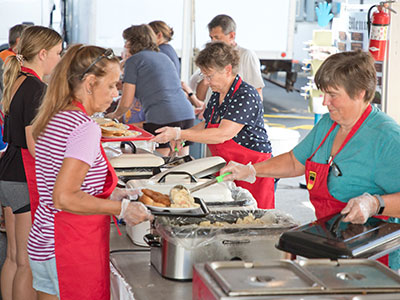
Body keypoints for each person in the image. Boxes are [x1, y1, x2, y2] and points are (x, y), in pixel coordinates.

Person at [220, 50, 400, 270]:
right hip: (328, 246)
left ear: (360, 93)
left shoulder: (386, 137)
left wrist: (375, 204)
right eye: (323, 93)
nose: (325, 102)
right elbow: (296, 162)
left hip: (373, 259)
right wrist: (249, 171)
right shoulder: (328, 123)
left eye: (333, 94)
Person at [27, 44, 153, 300]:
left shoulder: (56, 116)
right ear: (90, 83)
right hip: (67, 245)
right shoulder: (85, 127)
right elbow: (63, 196)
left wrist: (116, 194)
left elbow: (62, 180)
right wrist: (121, 210)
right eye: (111, 85)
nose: (115, 94)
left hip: (45, 240)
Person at [152, 42, 275, 209]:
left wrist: (179, 134)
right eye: (204, 76)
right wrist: (183, 135)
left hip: (252, 170)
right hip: (227, 167)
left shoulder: (246, 94)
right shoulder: (217, 94)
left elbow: (223, 134)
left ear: (228, 69)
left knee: (253, 218)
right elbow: (208, 125)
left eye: (209, 76)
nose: (206, 82)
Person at [0, 25, 62, 300]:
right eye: (59, 53)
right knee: (26, 260)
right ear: (43, 53)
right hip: (25, 175)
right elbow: (35, 144)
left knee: (13, 256)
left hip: (8, 171)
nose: (60, 60)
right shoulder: (37, 87)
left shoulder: (17, 80)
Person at [106, 24, 195, 157]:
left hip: (162, 116)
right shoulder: (163, 57)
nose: (124, 45)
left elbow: (126, 102)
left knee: (159, 162)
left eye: (126, 41)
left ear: (132, 42)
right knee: (181, 164)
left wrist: (113, 116)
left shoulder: (134, 61)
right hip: (186, 114)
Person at [207, 14, 265, 98]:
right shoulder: (213, 56)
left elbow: (257, 94)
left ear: (232, 35)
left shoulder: (246, 55)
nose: (213, 42)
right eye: (211, 38)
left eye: (217, 37)